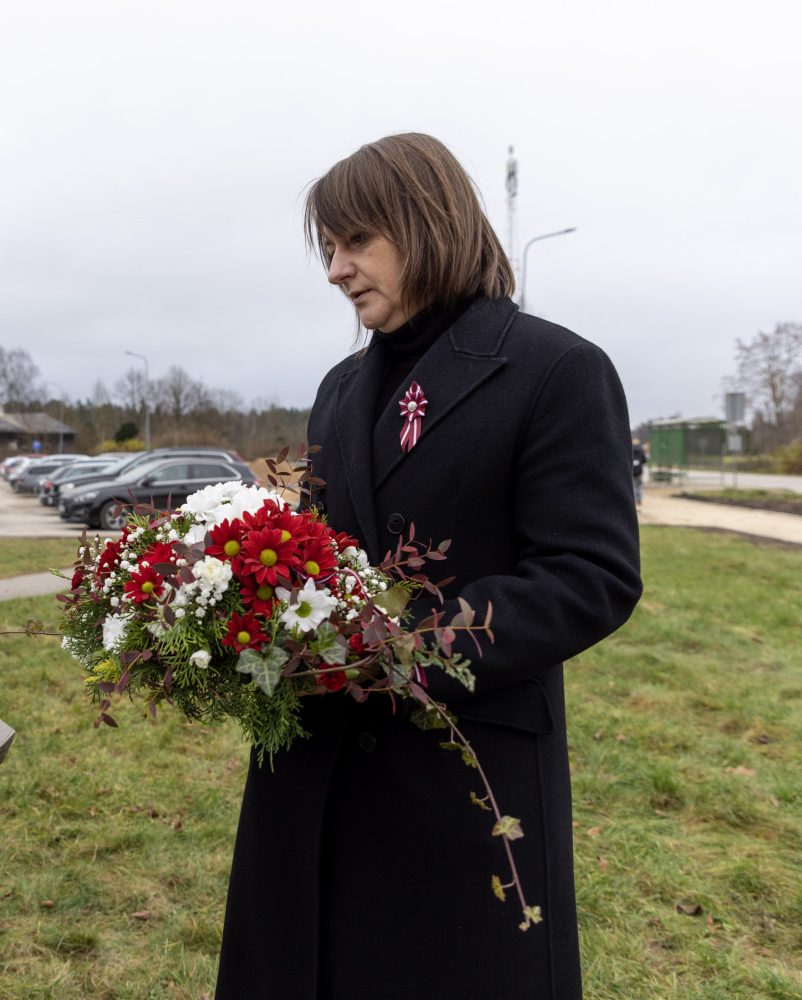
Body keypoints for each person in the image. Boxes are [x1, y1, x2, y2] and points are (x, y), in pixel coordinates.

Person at [214, 134, 642, 1000]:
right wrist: (241, 601)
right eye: (328, 249)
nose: (335, 269)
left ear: (425, 224)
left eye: (355, 243)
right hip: (313, 773)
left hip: (454, 777)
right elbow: (327, 551)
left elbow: (591, 573)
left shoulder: (556, 370)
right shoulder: (341, 386)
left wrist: (395, 646)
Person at [632, 438, 648, 505]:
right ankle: (639, 498)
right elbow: (644, 460)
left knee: (633, 484)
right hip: (639, 470)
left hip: (631, 469)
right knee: (638, 484)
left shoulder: (630, 449)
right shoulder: (641, 450)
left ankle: (633, 499)